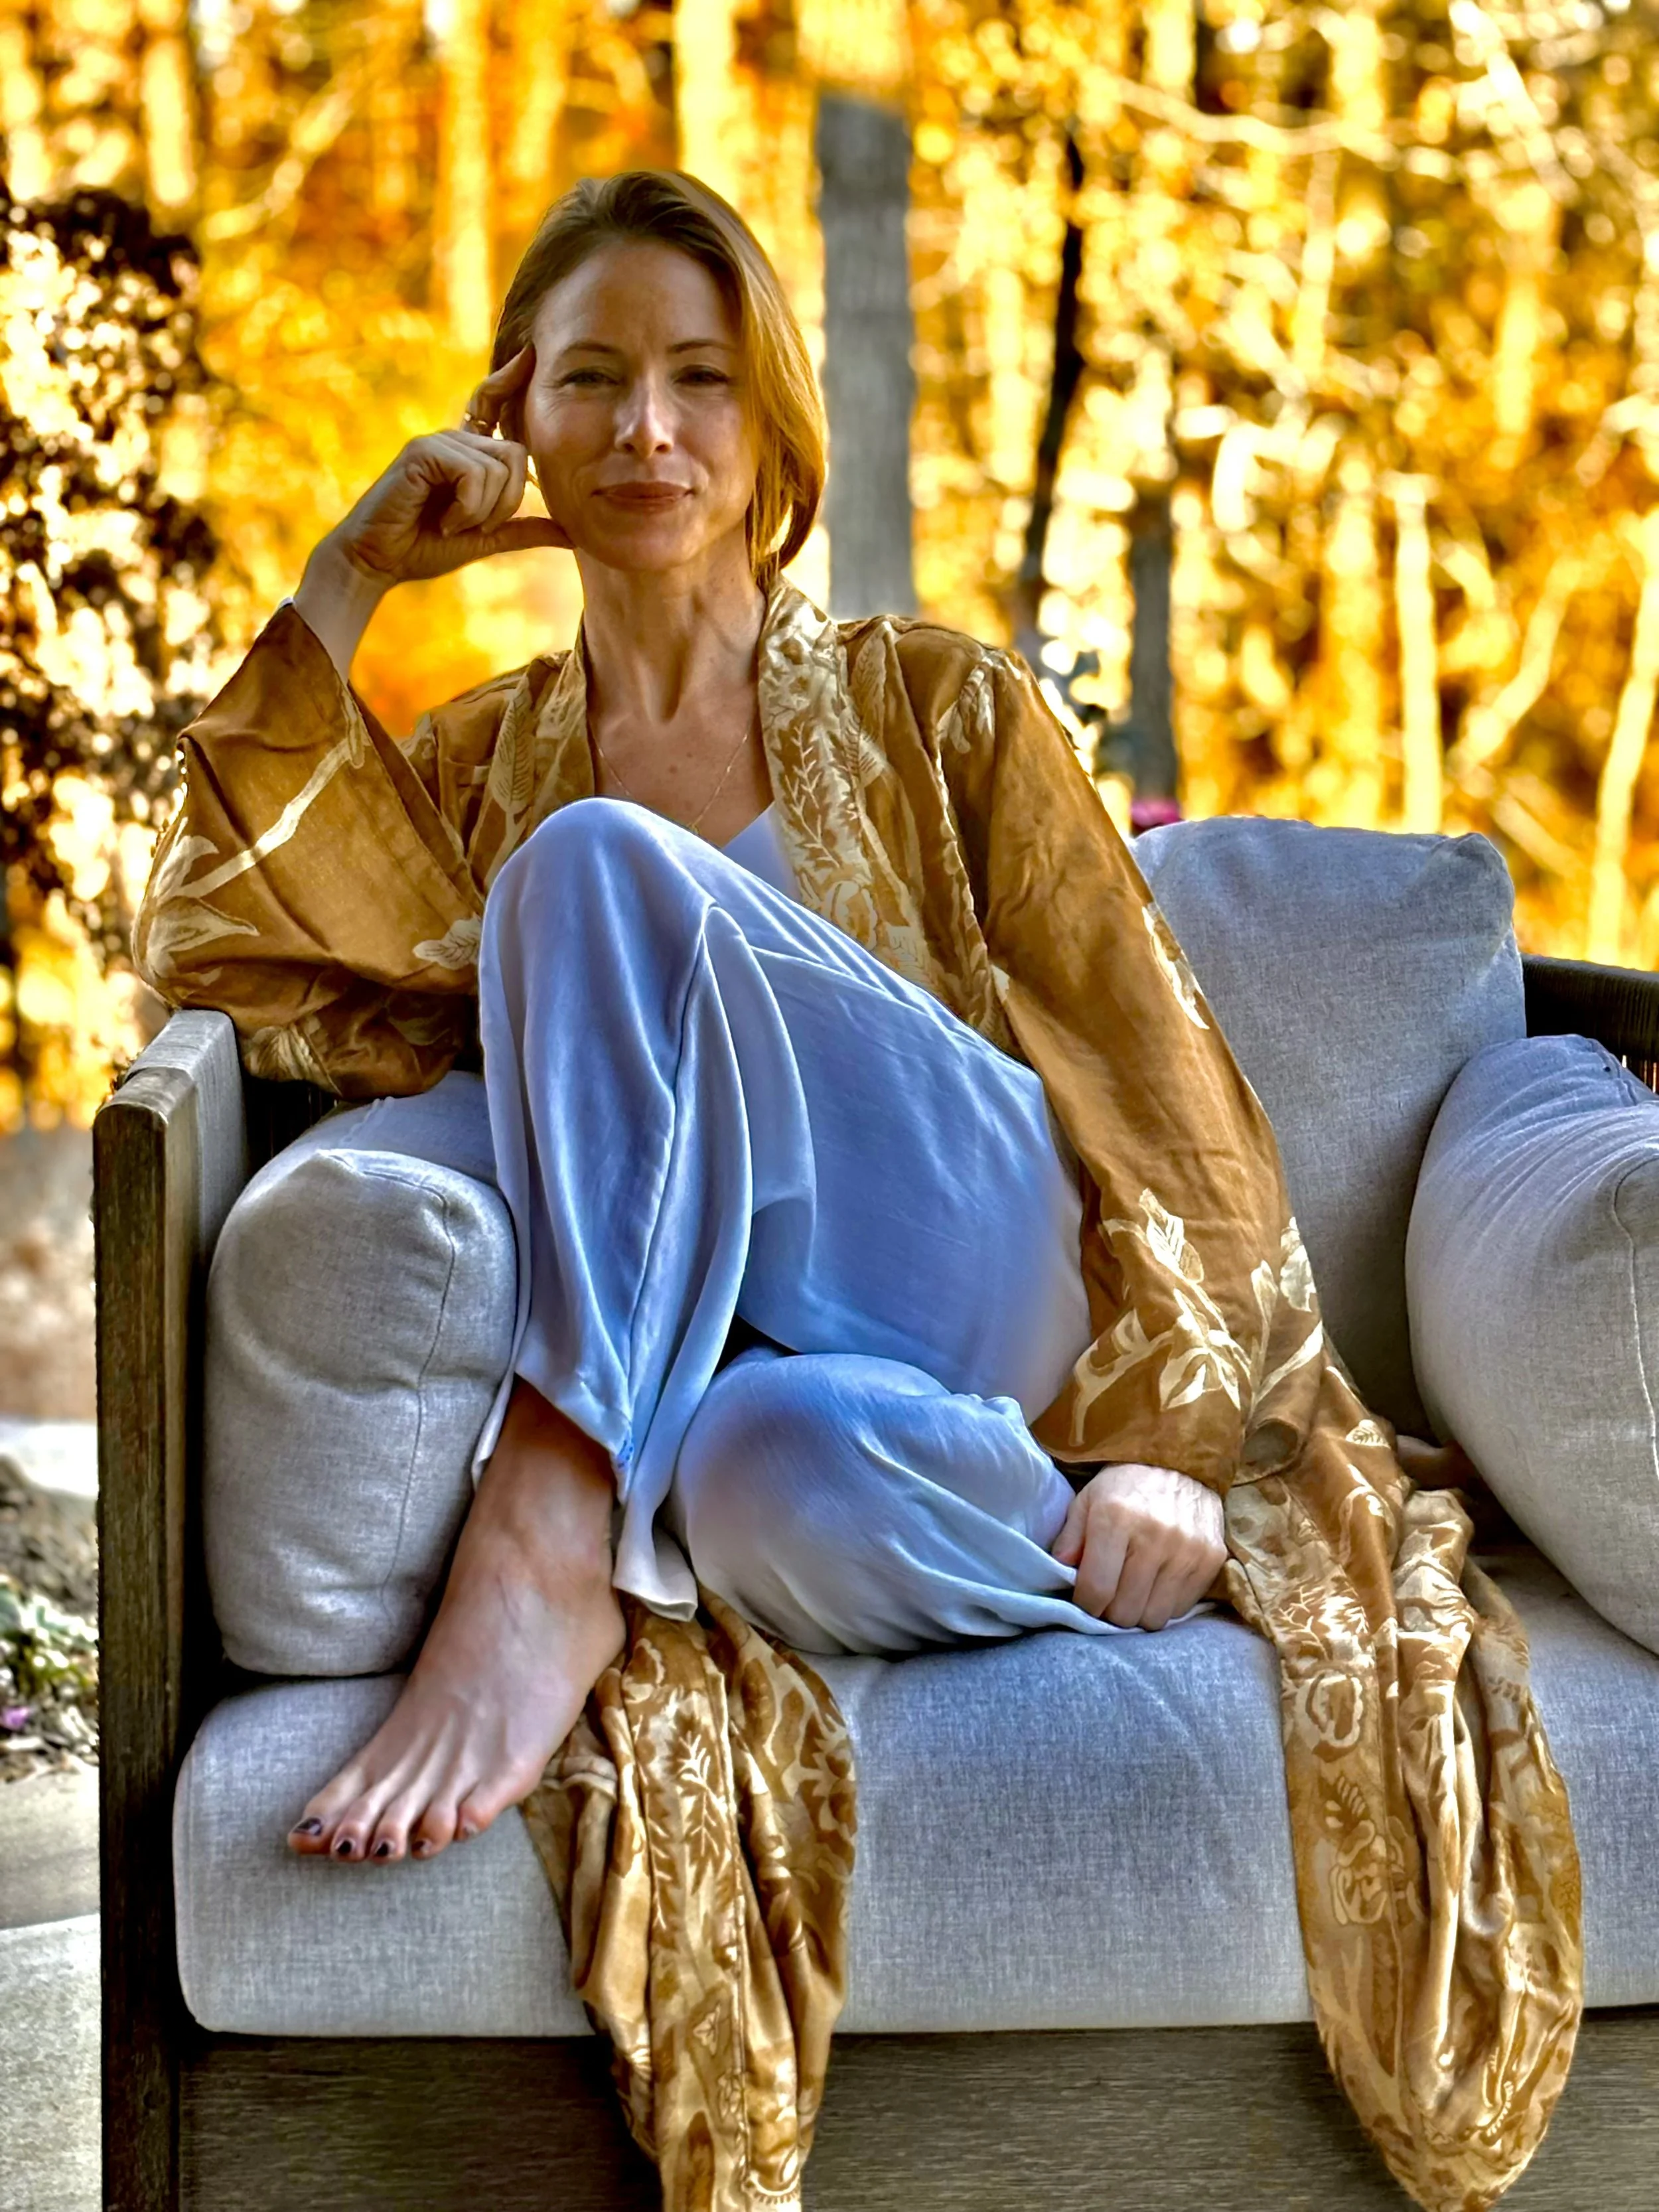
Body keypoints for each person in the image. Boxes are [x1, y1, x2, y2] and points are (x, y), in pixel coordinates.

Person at [135, 171, 1577, 2209]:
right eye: (596, 380)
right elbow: (212, 945)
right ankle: (733, 1508)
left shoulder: (934, 702)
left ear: (773, 429)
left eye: (703, 380)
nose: (649, 429)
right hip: (845, 1408)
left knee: (595, 873)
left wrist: (1174, 1432)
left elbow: (1161, 1080)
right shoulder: (475, 773)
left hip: (1019, 1278)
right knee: (751, 1468)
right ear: (512, 426)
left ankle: (549, 1514)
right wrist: (359, 571)